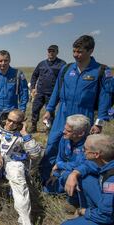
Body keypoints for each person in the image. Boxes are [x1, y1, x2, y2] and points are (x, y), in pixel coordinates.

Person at [40, 35, 113, 186]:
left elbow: (105, 98)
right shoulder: (66, 69)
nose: (76, 55)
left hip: (83, 115)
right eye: (74, 51)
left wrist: (99, 121)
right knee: (53, 144)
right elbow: (56, 91)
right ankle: (46, 178)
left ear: (91, 50)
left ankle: (72, 182)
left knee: (79, 150)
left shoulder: (101, 71)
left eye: (80, 52)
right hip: (63, 113)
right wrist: (49, 109)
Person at [62, 134, 114, 225]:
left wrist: (83, 211)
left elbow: (106, 217)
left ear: (96, 154)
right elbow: (88, 166)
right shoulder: (106, 161)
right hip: (105, 205)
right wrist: (74, 174)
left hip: (107, 217)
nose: (82, 151)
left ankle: (91, 215)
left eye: (85, 149)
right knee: (84, 178)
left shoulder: (111, 182)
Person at [45, 115, 89, 202]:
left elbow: (80, 165)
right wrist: (55, 174)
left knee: (67, 175)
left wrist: (60, 165)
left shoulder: (88, 144)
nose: (63, 132)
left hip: (78, 175)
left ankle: (74, 201)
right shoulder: (65, 139)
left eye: (68, 131)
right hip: (63, 171)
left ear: (80, 133)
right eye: (64, 128)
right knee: (47, 190)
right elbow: (60, 158)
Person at [0, 50, 29, 128]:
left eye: (6, 60)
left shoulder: (17, 74)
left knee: (11, 137)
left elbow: (24, 93)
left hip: (12, 113)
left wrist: (22, 110)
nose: (3, 63)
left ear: (10, 60)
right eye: (0, 61)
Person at [29, 45, 66, 133]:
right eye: (49, 51)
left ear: (57, 52)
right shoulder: (41, 64)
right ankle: (33, 126)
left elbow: (64, 79)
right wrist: (33, 88)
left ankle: (49, 128)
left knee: (50, 111)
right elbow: (34, 75)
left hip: (52, 93)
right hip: (40, 92)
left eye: (53, 51)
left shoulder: (62, 64)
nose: (51, 53)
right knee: (35, 109)